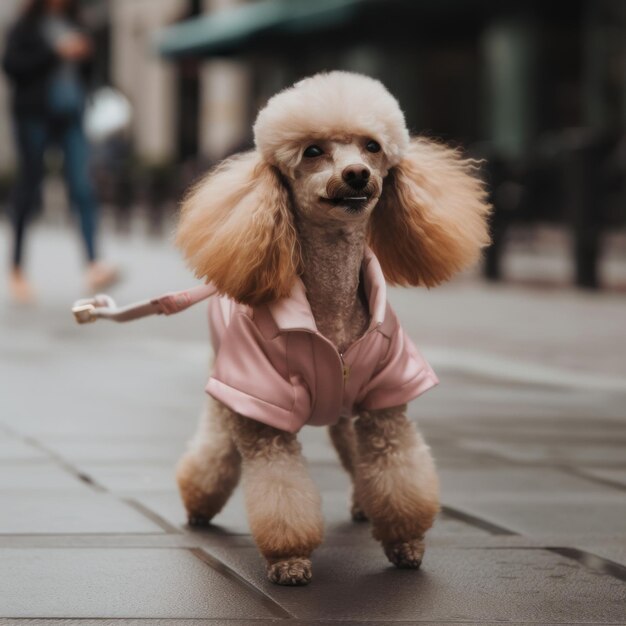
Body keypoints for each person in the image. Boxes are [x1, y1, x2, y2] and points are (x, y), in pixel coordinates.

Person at [2, 0, 117, 303]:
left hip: (71, 115)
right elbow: (12, 67)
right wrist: (55, 52)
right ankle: (16, 269)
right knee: (29, 189)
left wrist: (86, 56)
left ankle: (94, 264)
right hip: (34, 116)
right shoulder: (25, 27)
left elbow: (90, 72)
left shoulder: (78, 23)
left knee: (83, 186)